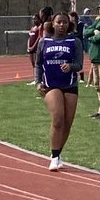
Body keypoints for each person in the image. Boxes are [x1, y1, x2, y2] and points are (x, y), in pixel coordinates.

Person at [35, 11, 83, 171]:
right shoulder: (44, 41)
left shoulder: (74, 41)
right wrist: (37, 82)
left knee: (67, 123)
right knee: (58, 119)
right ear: (53, 24)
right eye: (58, 22)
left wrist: (70, 66)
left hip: (70, 85)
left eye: (64, 22)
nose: (61, 25)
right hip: (51, 84)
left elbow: (79, 65)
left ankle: (58, 153)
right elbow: (38, 64)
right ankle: (54, 157)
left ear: (68, 24)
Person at [85, 2, 100, 119]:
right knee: (97, 85)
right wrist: (94, 33)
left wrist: (92, 36)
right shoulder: (97, 21)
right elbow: (85, 32)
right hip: (95, 57)